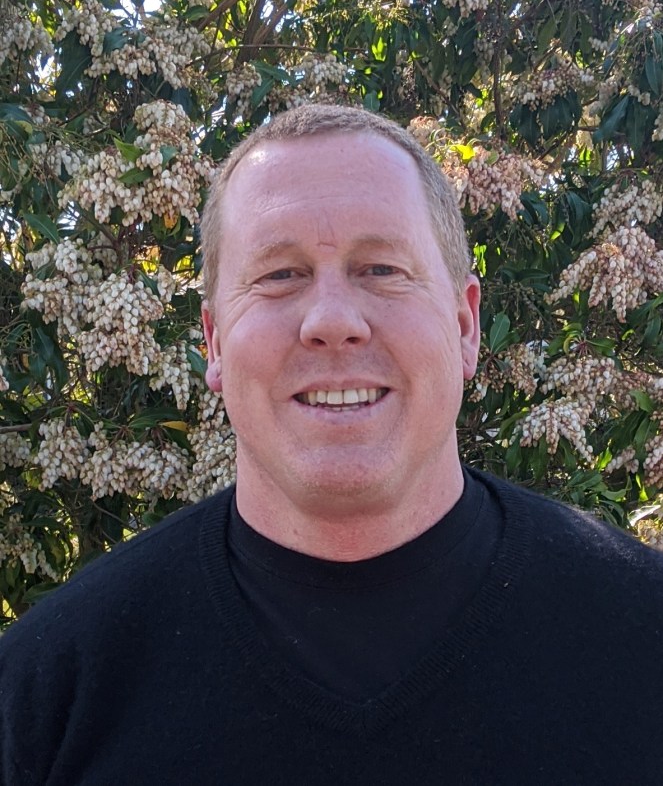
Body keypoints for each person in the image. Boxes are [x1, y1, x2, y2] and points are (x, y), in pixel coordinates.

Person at [2, 105, 663, 786]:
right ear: (215, 342)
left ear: (466, 325)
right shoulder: (44, 693)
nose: (332, 320)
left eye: (380, 268)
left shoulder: (643, 634)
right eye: (279, 275)